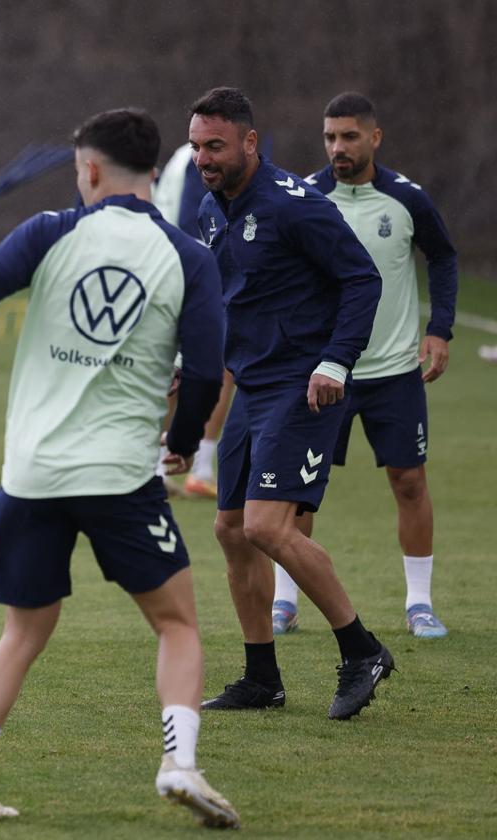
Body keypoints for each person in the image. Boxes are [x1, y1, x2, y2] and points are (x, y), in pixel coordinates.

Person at [0, 108, 238, 827]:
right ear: (153, 171)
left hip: (31, 475)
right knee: (178, 624)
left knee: (21, 633)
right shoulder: (187, 255)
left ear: (88, 168)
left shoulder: (49, 231)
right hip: (120, 477)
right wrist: (183, 442)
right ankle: (179, 764)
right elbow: (210, 372)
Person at [189, 87, 394, 720]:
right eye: (196, 147)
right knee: (230, 529)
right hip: (252, 385)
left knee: (265, 526)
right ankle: (261, 678)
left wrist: (336, 360)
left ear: (250, 143)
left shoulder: (292, 205)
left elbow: (363, 277)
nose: (204, 158)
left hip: (305, 382)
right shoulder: (210, 209)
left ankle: (362, 651)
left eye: (216, 146)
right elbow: (225, 298)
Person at [270, 92, 458, 639]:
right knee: (299, 489)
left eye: (349, 136)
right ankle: (285, 601)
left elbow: (443, 257)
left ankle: (419, 603)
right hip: (326, 372)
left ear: (375, 138)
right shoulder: (305, 197)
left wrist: (439, 329)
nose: (338, 147)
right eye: (330, 137)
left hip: (395, 372)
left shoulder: (406, 199)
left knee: (409, 482)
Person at [154, 144, 236, 499]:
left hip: (166, 267)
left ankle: (155, 467)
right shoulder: (197, 160)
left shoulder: (180, 158)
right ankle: (198, 467)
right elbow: (193, 220)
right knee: (220, 368)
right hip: (190, 274)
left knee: (173, 372)